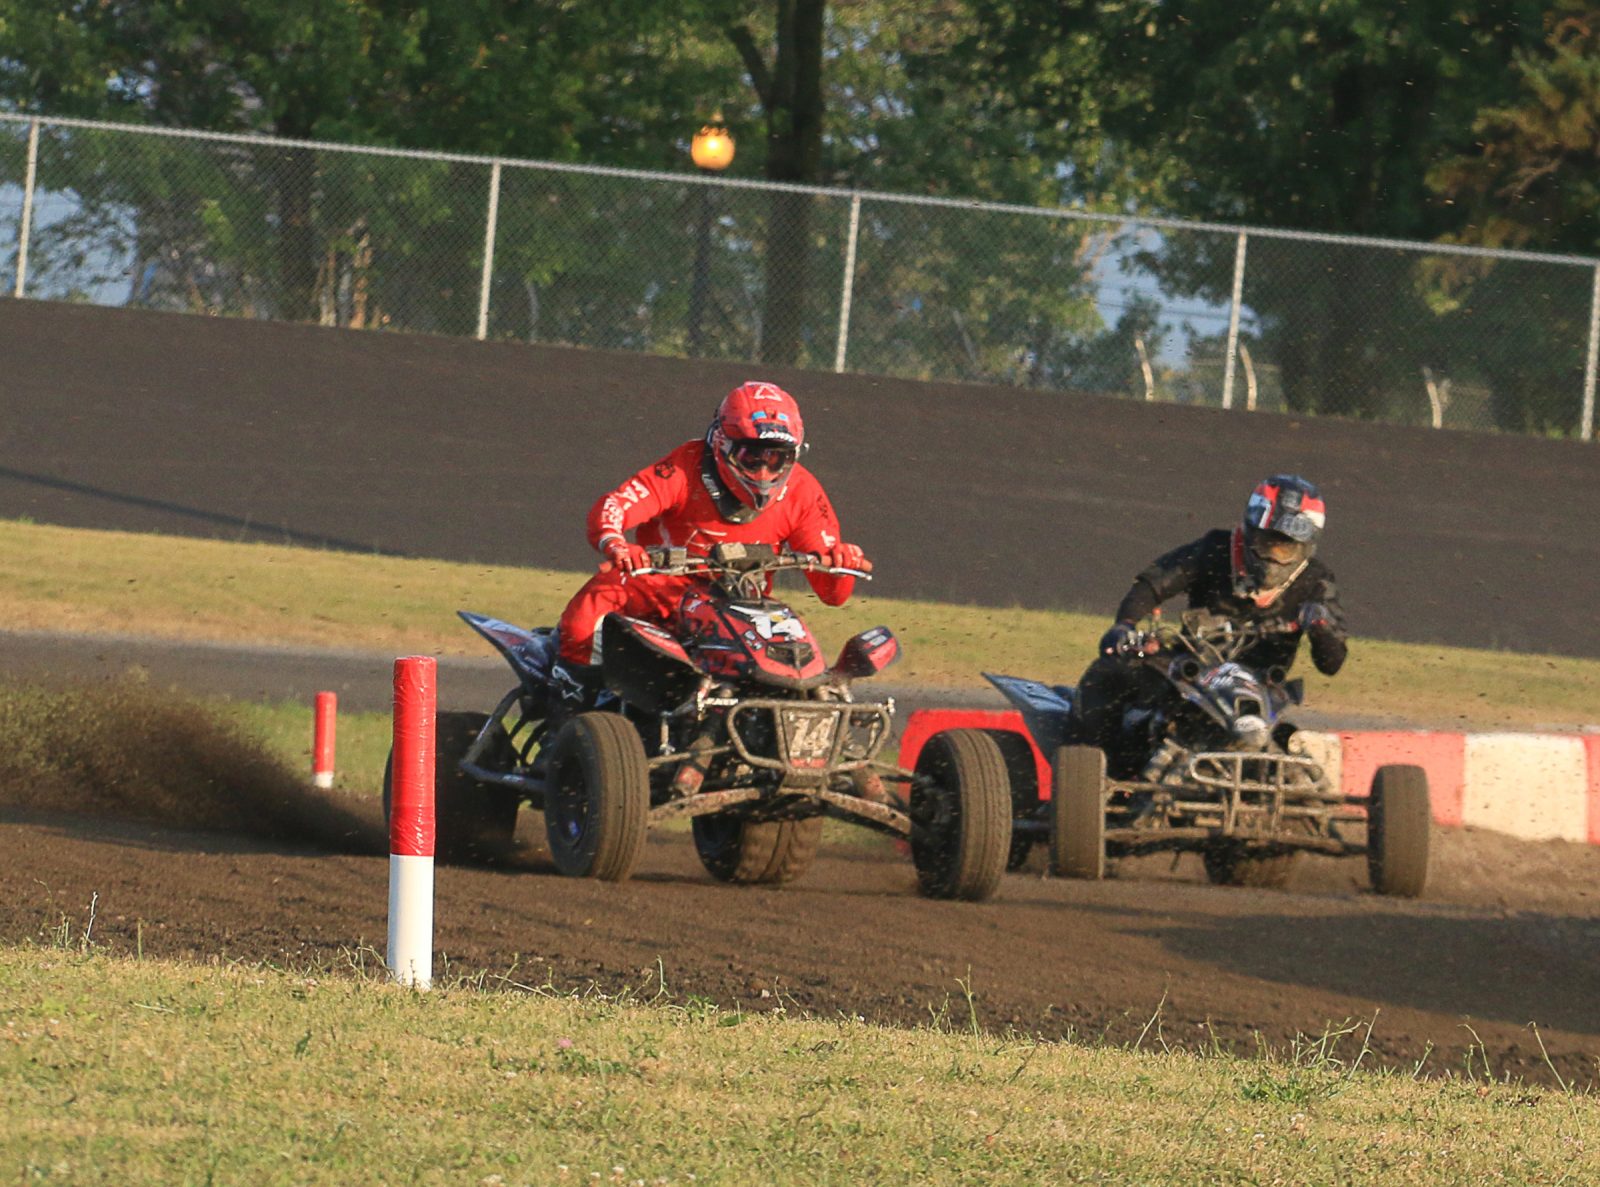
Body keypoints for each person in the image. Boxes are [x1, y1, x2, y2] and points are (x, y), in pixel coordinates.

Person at [547, 380, 871, 721]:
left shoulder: (803, 490)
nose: (763, 471)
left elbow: (833, 594)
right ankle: (566, 717)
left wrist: (841, 561)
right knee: (592, 605)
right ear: (721, 443)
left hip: (743, 609)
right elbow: (617, 504)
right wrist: (615, 542)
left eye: (776, 458)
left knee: (796, 651)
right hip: (661, 592)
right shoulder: (683, 468)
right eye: (752, 456)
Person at [1076, 474, 1348, 756]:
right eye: (1268, 544)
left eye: (1286, 548)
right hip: (1189, 674)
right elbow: (1151, 585)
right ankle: (1087, 758)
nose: (1274, 558)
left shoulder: (1316, 581)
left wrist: (1320, 626)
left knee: (1288, 741)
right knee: (1107, 673)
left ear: (1305, 548)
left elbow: (1332, 663)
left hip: (1261, 689)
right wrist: (1125, 625)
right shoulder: (1216, 549)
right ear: (1251, 532)